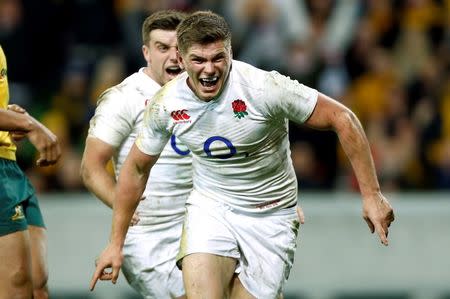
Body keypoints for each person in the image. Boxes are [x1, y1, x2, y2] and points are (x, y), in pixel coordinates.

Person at [90, 11, 395, 299]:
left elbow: (343, 119)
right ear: (182, 60)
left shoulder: (264, 88)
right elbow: (137, 169)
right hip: (211, 208)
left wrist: (372, 194)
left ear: (231, 53)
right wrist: (115, 244)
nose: (209, 69)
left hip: (270, 213)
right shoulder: (166, 104)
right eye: (198, 60)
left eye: (217, 58)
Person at [80, 10, 192, 299]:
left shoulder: (203, 91)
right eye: (162, 48)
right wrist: (123, 206)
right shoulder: (124, 97)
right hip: (148, 236)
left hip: (197, 227)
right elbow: (91, 167)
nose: (173, 56)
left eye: (179, 48)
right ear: (146, 52)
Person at [0, 45, 61, 299]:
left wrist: (11, 118)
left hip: (9, 163)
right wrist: (28, 124)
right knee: (16, 287)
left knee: (37, 284)